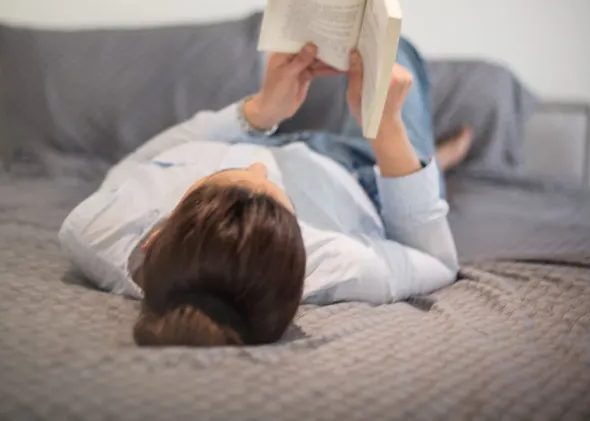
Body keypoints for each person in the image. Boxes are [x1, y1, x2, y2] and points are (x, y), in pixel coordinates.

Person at [59, 38, 471, 347]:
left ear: (152, 237)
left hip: (256, 133)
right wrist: (388, 135)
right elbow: (435, 258)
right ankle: (425, 162)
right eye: (277, 193)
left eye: (230, 176)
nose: (260, 165)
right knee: (392, 48)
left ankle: (426, 160)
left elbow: (133, 167)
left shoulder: (93, 230)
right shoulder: (332, 264)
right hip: (355, 168)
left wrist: (257, 113)